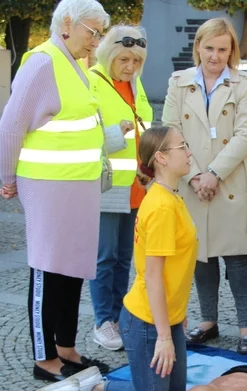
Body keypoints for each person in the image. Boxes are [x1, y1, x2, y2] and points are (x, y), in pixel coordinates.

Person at [27, 126, 198, 391]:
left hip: (164, 317)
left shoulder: (171, 196)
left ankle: (99, 385)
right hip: (146, 322)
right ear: (161, 157)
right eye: (182, 146)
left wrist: (177, 316)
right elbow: (154, 277)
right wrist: (163, 336)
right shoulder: (160, 206)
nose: (189, 152)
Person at [0, 0, 111, 380]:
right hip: (49, 185)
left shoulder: (74, 63)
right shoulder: (43, 62)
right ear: (66, 23)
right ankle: (45, 358)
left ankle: (66, 347)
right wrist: (7, 177)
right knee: (49, 268)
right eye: (92, 33)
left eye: (99, 34)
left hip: (77, 184)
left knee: (72, 269)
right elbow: (12, 124)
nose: (96, 42)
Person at [162, 17, 247, 354]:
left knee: (237, 257)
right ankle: (208, 321)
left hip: (229, 180)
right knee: (200, 255)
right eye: (209, 48)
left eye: (222, 49)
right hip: (191, 179)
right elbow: (170, 131)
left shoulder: (243, 84)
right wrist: (194, 176)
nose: (215, 56)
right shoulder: (178, 82)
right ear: (198, 47)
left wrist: (214, 174)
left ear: (232, 50)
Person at [88, 25, 153, 352]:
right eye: (124, 59)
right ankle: (103, 321)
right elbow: (82, 138)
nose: (130, 66)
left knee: (124, 257)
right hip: (108, 186)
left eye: (136, 60)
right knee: (105, 257)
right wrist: (116, 133)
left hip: (136, 187)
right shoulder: (92, 83)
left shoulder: (134, 85)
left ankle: (116, 316)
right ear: (110, 54)